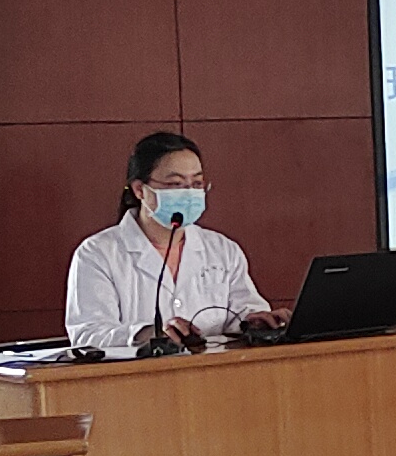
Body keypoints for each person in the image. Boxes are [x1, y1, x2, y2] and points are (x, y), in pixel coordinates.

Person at [65, 131, 279, 353]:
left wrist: (257, 322)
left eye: (197, 183)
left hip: (214, 370)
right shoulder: (98, 253)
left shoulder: (222, 250)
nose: (189, 193)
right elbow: (87, 334)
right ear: (139, 190)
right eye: (175, 183)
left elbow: (243, 312)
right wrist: (147, 334)